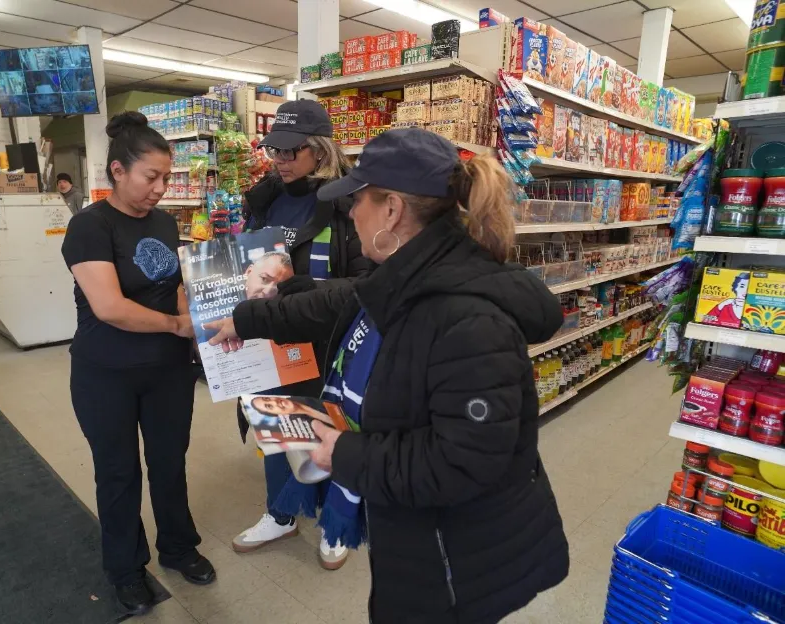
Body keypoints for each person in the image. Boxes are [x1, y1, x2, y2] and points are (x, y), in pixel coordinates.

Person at [207, 128, 570, 623]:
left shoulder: (467, 318)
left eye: (358, 201)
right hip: (420, 533)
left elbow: (464, 461)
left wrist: (343, 451)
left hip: (458, 561)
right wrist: (244, 320)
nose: (351, 213)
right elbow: (335, 300)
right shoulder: (409, 274)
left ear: (392, 210)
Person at [60, 111, 213, 617]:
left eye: (167, 177)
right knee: (119, 472)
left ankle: (177, 547)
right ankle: (125, 569)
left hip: (168, 370)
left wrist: (192, 319)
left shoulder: (166, 222)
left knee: (170, 462)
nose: (161, 188)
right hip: (107, 373)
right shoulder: (89, 226)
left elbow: (172, 287)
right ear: (118, 171)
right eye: (152, 176)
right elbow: (109, 307)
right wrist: (174, 326)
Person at [231, 98, 373, 569]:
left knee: (328, 430)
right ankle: (282, 512)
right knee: (273, 424)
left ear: (319, 150)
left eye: (292, 152)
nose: (282, 161)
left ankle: (336, 524)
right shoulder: (264, 199)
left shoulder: (346, 202)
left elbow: (365, 284)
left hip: (328, 344)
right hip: (270, 341)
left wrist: (309, 289)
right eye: (276, 151)